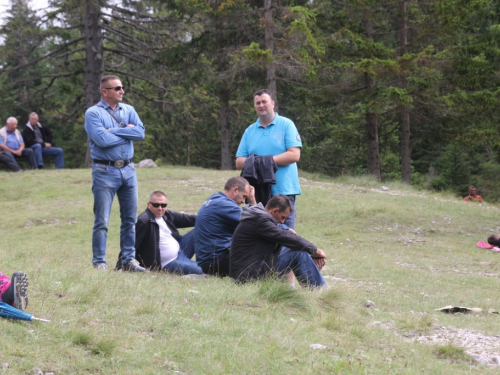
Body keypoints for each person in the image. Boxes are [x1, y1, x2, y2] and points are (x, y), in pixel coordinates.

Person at [84, 75, 146, 272]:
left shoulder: (129, 110)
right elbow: (102, 140)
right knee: (102, 220)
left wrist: (113, 131)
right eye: (117, 88)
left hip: (128, 170)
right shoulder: (93, 113)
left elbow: (141, 133)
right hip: (104, 170)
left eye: (122, 87)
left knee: (130, 219)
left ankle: (128, 261)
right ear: (105, 92)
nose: (122, 91)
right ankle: (99, 262)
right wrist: (125, 131)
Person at [235, 89, 302, 230]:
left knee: (286, 236)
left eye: (264, 101)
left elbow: (294, 155)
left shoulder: (286, 124)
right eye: (257, 103)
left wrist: (268, 161)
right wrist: (259, 163)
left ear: (272, 103)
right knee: (259, 234)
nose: (261, 105)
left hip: (283, 191)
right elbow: (239, 161)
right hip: (257, 193)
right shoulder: (250, 131)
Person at [230, 195, 327, 287]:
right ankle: (320, 290)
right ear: (275, 211)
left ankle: (313, 287)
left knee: (295, 247)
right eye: (283, 217)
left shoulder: (257, 217)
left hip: (248, 272)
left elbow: (283, 236)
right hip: (248, 278)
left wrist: (287, 231)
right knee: (297, 252)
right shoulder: (261, 221)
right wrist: (315, 251)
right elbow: (287, 238)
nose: (283, 221)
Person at [127, 190, 204, 275]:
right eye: (156, 205)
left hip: (181, 249)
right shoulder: (144, 221)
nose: (160, 208)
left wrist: (211, 218)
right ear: (148, 205)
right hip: (169, 263)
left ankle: (209, 258)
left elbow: (189, 219)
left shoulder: (167, 215)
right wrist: (124, 263)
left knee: (201, 229)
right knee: (205, 269)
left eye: (163, 205)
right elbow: (131, 244)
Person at [194, 176, 256, 276]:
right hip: (215, 262)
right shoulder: (224, 205)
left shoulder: (214, 199)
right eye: (244, 197)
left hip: (209, 261)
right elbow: (258, 222)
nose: (244, 201)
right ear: (235, 190)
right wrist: (252, 200)